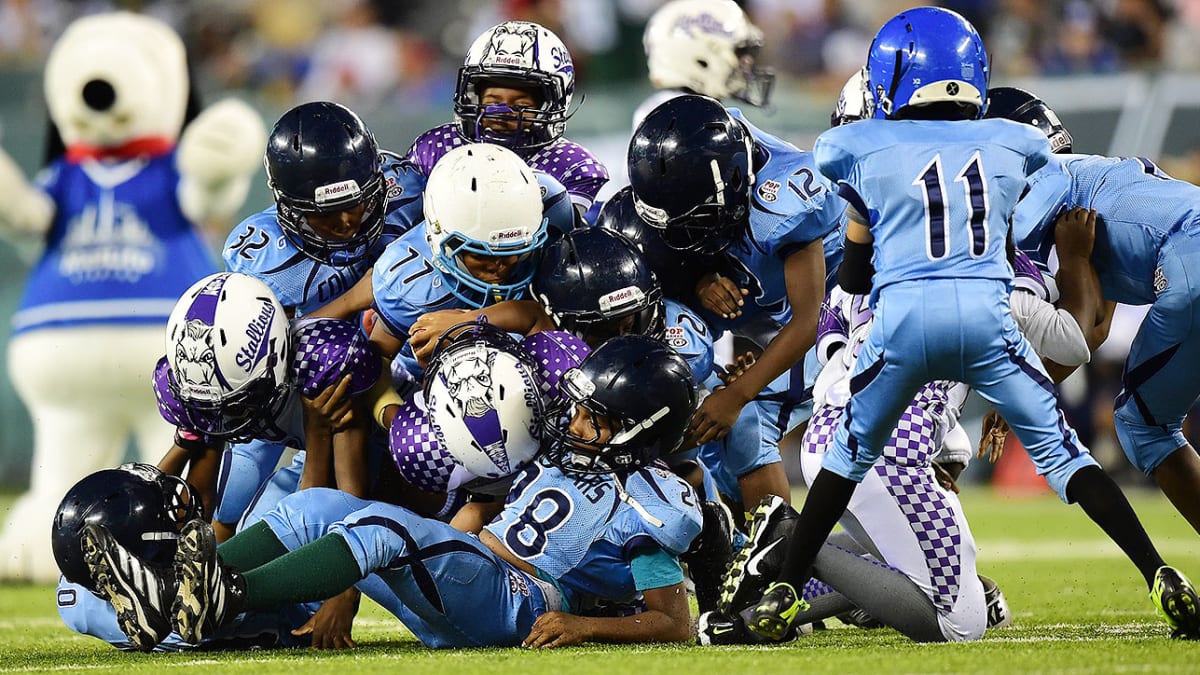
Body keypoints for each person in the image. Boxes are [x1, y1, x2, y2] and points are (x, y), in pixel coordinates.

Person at [740, 7, 1200, 643]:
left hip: (889, 342)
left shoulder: (856, 149)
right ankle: (1158, 571)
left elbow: (851, 271)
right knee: (1064, 462)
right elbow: (1075, 336)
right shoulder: (1019, 152)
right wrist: (1071, 262)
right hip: (985, 316)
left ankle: (788, 580)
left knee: (850, 460)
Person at [79, 335, 704, 650]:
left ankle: (221, 595)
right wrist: (444, 547)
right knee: (318, 508)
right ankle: (186, 583)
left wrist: (585, 625)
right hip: (479, 575)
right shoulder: (573, 454)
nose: (574, 422)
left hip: (519, 603)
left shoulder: (647, 504)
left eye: (595, 417)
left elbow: (675, 623)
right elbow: (488, 524)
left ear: (642, 431)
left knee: (384, 528)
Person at [995, 86, 1200, 546]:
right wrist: (1029, 388)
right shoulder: (1092, 180)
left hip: (1192, 261)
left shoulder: (1041, 188)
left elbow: (1061, 329)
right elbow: (1093, 332)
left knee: (1143, 426)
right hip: (1189, 255)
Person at [627, 93, 846, 517]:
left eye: (696, 221)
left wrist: (740, 394)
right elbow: (688, 236)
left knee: (747, 421)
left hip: (845, 315)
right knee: (703, 416)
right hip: (766, 305)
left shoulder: (784, 202)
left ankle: (775, 564)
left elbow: (808, 321)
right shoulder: (707, 153)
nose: (684, 236)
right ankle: (737, 544)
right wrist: (702, 275)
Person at [218, 101, 425, 536]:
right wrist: (352, 299)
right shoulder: (263, 255)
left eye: (358, 203)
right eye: (326, 213)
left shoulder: (409, 192)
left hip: (404, 373)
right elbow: (260, 354)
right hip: (305, 394)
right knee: (239, 488)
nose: (349, 220)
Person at [153, 272, 382, 541]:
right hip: (284, 428)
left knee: (286, 537)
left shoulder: (323, 363)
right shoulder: (202, 386)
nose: (221, 420)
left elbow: (344, 511)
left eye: (235, 406)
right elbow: (195, 514)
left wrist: (317, 433)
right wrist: (190, 434)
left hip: (358, 448)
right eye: (211, 410)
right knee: (230, 505)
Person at [52, 463, 316, 652]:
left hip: (153, 585)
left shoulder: (77, 597)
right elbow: (310, 505)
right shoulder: (195, 602)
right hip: (294, 613)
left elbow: (132, 518)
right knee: (303, 499)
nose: (176, 515)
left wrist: (188, 440)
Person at [369, 143, 552, 389]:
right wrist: (394, 418)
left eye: (514, 252)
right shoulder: (410, 280)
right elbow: (376, 364)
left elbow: (553, 335)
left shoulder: (552, 207)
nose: (501, 267)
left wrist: (471, 321)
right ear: (439, 236)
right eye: (482, 256)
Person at [406, 20, 608, 215]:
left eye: (520, 104)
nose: (502, 112)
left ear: (553, 104)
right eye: (493, 101)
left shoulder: (573, 166)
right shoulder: (436, 148)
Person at [636, 0, 775, 128]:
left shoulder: (668, 108)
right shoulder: (679, 116)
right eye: (739, 52)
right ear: (702, 59)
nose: (747, 62)